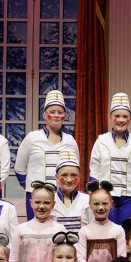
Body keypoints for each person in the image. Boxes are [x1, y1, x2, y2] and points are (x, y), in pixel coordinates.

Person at [15, 89, 80, 221]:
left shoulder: (70, 141)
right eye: (52, 112)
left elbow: (74, 170)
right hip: (37, 197)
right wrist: (32, 188)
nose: (56, 115)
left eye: (60, 112)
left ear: (64, 116)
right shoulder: (32, 138)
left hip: (61, 197)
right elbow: (19, 168)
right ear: (44, 115)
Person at [90, 93, 131, 224]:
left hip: (130, 197)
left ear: (130, 119)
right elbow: (94, 171)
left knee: (128, 232)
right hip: (107, 196)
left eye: (125, 116)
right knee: (107, 232)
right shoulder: (101, 140)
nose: (121, 120)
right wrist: (96, 195)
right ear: (110, 117)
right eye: (117, 116)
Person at [52, 150, 91, 233]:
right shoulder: (50, 200)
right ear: (56, 177)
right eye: (64, 175)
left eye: (74, 175)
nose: (69, 180)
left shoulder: (88, 200)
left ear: (79, 177)